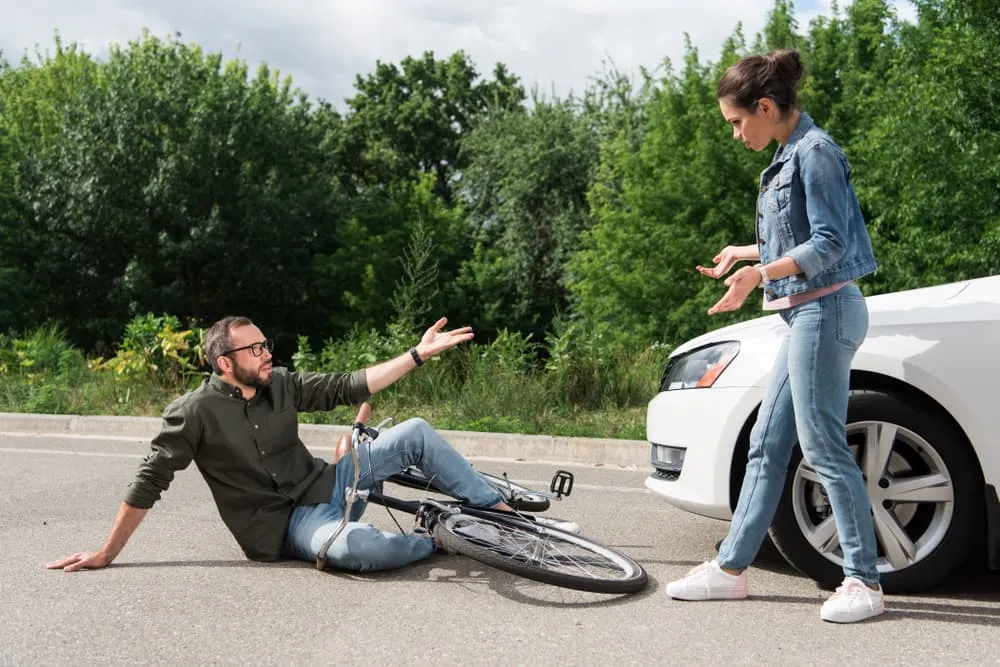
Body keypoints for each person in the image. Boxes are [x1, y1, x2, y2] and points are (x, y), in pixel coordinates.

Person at [46, 315, 577, 574]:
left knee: (413, 431)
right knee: (356, 548)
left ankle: (501, 513)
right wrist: (106, 552)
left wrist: (417, 355)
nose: (266, 353)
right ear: (225, 363)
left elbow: (349, 384)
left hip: (330, 479)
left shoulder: (281, 383)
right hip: (288, 524)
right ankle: (436, 538)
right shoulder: (195, 412)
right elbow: (149, 480)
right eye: (254, 349)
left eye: (265, 344)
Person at [664, 49, 884, 623]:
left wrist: (758, 274)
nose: (736, 135)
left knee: (823, 447)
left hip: (826, 312)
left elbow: (833, 244)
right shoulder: (789, 154)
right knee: (766, 443)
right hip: (805, 315)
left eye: (738, 122)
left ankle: (863, 580)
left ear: (765, 106)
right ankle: (731, 569)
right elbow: (801, 237)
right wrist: (748, 251)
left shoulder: (815, 154)